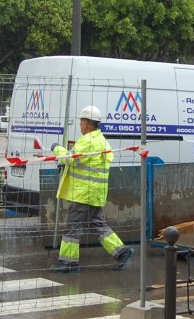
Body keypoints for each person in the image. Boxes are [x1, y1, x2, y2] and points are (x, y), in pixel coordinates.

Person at [49, 105, 133, 273]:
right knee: (98, 225)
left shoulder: (87, 141)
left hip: (83, 193)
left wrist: (56, 148)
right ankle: (122, 252)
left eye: (81, 122)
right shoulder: (101, 139)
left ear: (87, 123)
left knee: (73, 227)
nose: (80, 125)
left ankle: (68, 263)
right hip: (95, 193)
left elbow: (71, 159)